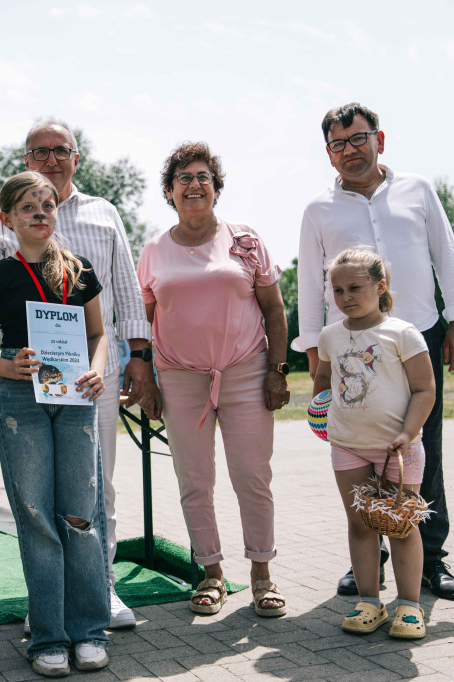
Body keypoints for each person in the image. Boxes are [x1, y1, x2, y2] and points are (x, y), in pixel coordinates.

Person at [295, 103, 454, 600]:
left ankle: (431, 562)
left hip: (418, 336)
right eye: (338, 144)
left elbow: (447, 254)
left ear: (380, 139)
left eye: (357, 139)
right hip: (350, 352)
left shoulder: (418, 189)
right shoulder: (318, 210)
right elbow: (311, 289)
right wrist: (314, 353)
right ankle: (369, 562)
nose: (349, 151)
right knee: (359, 448)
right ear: (328, 154)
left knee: (421, 450)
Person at [0, 120, 159, 630]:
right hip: (25, 376)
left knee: (95, 486)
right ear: (26, 160)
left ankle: (102, 589)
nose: (51, 159)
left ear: (76, 158)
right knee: (37, 494)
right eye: (41, 152)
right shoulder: (2, 221)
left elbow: (125, 288)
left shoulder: (103, 214)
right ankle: (48, 605)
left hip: (89, 375)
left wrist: (138, 355)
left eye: (61, 151)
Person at [137, 142, 290, 618]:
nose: (194, 184)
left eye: (203, 176)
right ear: (169, 192)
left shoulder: (244, 240)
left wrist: (277, 371)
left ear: (217, 188)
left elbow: (275, 310)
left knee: (252, 476)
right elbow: (142, 323)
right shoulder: (153, 252)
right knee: (195, 480)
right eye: (183, 178)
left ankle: (262, 574)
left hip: (246, 372)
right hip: (180, 379)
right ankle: (210, 572)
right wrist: (145, 379)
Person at [0, 171, 110, 677]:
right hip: (21, 400)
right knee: (36, 516)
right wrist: (9, 368)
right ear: (7, 220)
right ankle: (48, 636)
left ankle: (90, 630)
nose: (41, 213)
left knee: (81, 516)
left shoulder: (80, 270)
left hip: (76, 400)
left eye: (48, 205)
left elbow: (98, 333)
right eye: (28, 207)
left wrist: (96, 368)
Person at [313, 248, 434, 639]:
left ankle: (410, 607)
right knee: (361, 524)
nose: (346, 296)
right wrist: (321, 419)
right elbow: (323, 386)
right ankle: (369, 601)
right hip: (347, 446)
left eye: (355, 287)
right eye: (338, 289)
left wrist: (407, 433)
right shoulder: (330, 335)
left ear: (381, 287)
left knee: (400, 525)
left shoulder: (402, 333)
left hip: (397, 448)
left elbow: (424, 389)